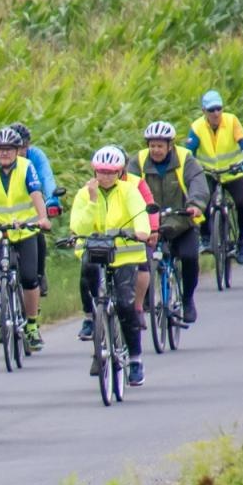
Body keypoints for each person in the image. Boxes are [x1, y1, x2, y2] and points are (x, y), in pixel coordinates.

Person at [71, 146, 152, 388]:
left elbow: (140, 214)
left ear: (120, 172)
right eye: (101, 172)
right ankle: (93, 322)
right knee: (87, 280)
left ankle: (136, 360)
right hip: (96, 253)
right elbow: (79, 227)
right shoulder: (85, 194)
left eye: (111, 172)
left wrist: (141, 232)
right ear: (94, 171)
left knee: (126, 305)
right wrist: (94, 201)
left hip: (125, 255)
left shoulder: (129, 191)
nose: (105, 177)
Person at [0, 126, 52, 351]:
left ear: (18, 151)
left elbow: (36, 193)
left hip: (25, 228)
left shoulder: (27, 167)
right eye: (0, 149)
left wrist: (43, 218)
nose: (4, 153)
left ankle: (32, 326)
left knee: (28, 278)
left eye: (9, 149)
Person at [132, 121, 210, 324]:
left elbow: (198, 183)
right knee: (142, 261)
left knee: (190, 257)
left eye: (160, 146)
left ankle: (187, 299)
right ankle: (147, 299)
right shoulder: (138, 161)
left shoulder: (185, 158)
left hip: (182, 221)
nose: (155, 150)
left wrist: (195, 204)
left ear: (170, 146)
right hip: (150, 224)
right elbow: (127, 189)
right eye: (152, 145)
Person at [184, 89, 243, 261]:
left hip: (233, 172)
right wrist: (190, 166)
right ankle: (206, 237)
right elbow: (188, 152)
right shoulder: (197, 127)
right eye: (211, 110)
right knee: (202, 199)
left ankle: (242, 241)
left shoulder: (231, 121)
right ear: (204, 111)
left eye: (218, 109)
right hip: (209, 172)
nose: (216, 113)